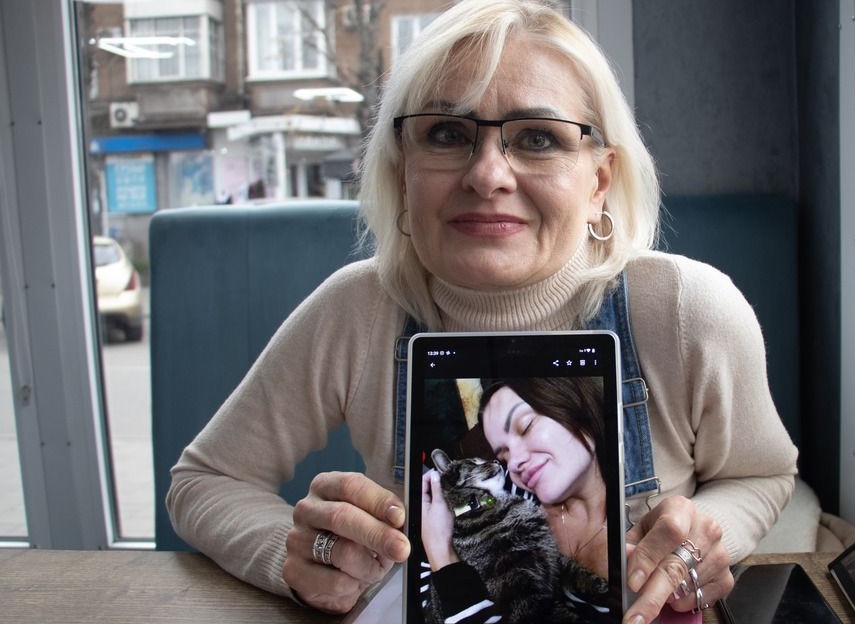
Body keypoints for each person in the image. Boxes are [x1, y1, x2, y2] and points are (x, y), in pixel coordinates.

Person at [166, 1, 799, 622]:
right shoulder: (356, 311)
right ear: (403, 171)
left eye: (538, 138)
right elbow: (204, 480)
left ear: (598, 182)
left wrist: (706, 543)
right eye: (446, 133)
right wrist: (293, 556)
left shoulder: (690, 311)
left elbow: (762, 474)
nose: (488, 173)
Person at [420, 378, 612, 622]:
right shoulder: (508, 488)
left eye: (526, 426)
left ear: (574, 405)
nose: (513, 463)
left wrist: (444, 560)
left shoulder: (635, 528)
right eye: (503, 453)